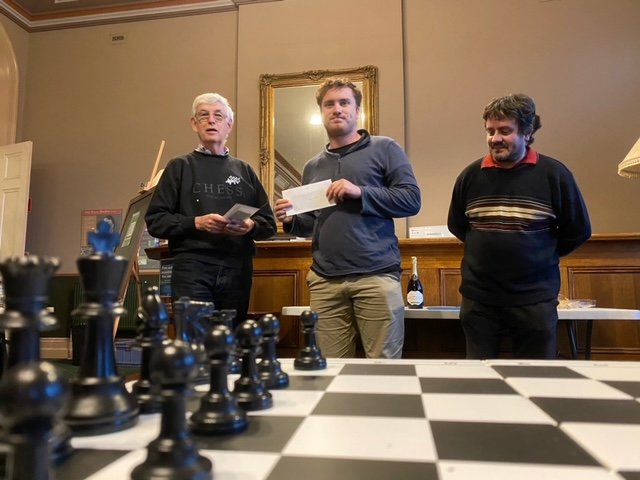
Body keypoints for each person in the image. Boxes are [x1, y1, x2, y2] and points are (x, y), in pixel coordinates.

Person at [274, 78, 421, 358]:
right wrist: (291, 221)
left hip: (376, 276)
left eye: (344, 102)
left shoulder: (385, 148)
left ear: (357, 110)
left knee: (384, 368)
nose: (337, 109)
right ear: (321, 112)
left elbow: (411, 200)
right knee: (330, 370)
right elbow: (313, 223)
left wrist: (360, 192)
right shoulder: (312, 166)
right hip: (325, 281)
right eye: (329, 104)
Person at [447, 93, 591, 359]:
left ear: (527, 132)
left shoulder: (554, 174)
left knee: (536, 377)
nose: (495, 138)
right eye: (490, 131)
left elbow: (578, 230)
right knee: (477, 378)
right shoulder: (470, 176)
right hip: (479, 300)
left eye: (505, 131)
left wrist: (541, 254)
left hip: (534, 300)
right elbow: (457, 225)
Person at [145, 93, 276, 327]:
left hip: (237, 268)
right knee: (194, 341)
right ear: (194, 124)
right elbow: (156, 221)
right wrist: (196, 222)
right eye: (203, 115)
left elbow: (269, 224)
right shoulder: (179, 167)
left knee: (230, 342)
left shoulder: (244, 171)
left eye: (218, 116)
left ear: (229, 125)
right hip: (192, 268)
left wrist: (249, 226)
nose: (211, 121)